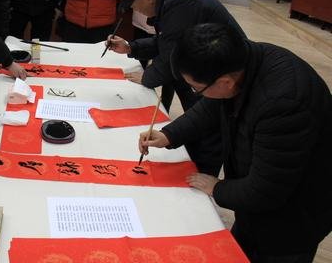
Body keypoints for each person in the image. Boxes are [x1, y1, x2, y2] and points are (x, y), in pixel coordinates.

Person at [139, 23, 332, 262]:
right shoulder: (242, 62)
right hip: (259, 206)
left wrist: (217, 188)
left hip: (291, 220)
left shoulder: (285, 103)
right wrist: (170, 134)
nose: (196, 93)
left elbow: (266, 191)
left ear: (226, 82)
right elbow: (212, 105)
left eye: (195, 88)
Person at [108, 0, 244, 175]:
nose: (137, 12)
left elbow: (169, 58)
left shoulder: (179, 2)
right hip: (204, 69)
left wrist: (147, 77)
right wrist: (131, 47)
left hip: (219, 75)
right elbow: (167, 41)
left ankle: (201, 181)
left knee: (208, 130)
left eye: (134, 6)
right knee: (197, 124)